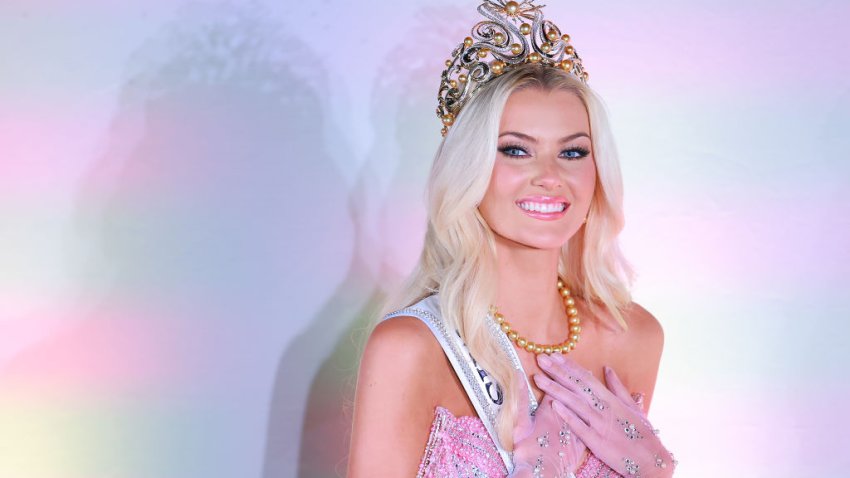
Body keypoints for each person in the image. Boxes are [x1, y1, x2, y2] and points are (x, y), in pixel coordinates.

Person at [348, 1, 677, 476]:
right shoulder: (411, 349)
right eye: (516, 150)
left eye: (573, 152)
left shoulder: (634, 338)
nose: (550, 177)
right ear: (469, 168)